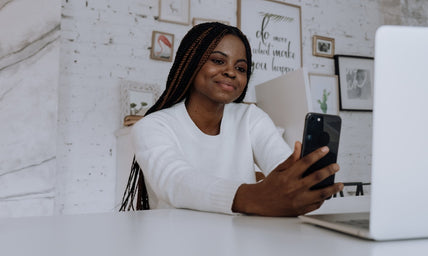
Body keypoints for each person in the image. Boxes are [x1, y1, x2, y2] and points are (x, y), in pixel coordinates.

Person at [120, 22, 343, 216]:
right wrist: (254, 196)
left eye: (241, 67)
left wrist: (295, 174)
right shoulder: (153, 126)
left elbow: (279, 163)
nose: (231, 72)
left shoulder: (250, 117)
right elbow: (176, 182)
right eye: (218, 61)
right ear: (191, 63)